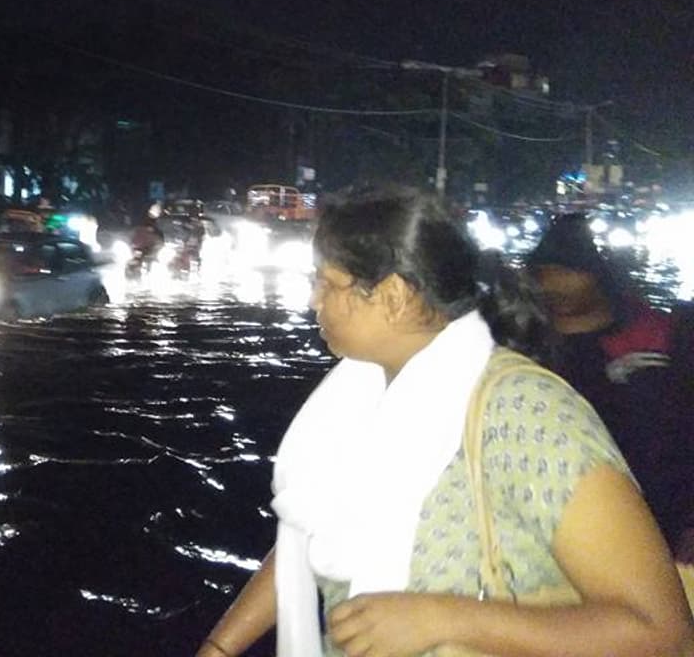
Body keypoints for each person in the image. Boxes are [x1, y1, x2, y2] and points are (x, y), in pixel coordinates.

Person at [198, 185, 692, 657]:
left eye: (326, 282)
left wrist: (442, 619)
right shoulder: (352, 399)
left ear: (393, 295)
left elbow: (661, 632)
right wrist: (218, 648)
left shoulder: (524, 414)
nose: (313, 300)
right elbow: (308, 530)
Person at [525, 213, 694, 562]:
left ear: (597, 274)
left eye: (567, 272)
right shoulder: (525, 348)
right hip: (559, 525)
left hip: (658, 522)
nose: (553, 285)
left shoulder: (655, 342)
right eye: (543, 274)